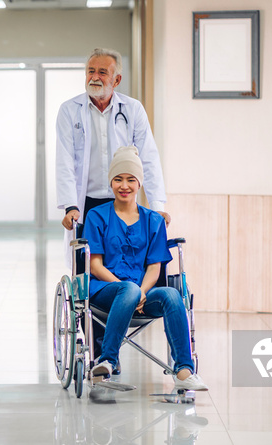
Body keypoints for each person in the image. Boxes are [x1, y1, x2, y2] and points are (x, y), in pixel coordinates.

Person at [83, 146, 208, 392]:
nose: (124, 185)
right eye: (118, 179)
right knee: (127, 289)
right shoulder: (97, 216)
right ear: (111, 183)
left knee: (172, 294)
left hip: (142, 291)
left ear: (139, 183)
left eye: (131, 179)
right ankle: (107, 360)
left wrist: (140, 291)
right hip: (105, 290)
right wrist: (128, 289)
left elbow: (154, 267)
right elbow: (95, 265)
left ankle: (184, 369)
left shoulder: (153, 220)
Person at [55, 47, 170, 230]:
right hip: (85, 203)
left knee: (122, 256)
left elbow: (148, 158)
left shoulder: (133, 109)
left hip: (123, 201)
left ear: (117, 80)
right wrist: (70, 206)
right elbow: (65, 161)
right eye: (90, 71)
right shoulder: (69, 110)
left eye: (102, 72)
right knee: (86, 256)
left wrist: (156, 206)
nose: (94, 77)